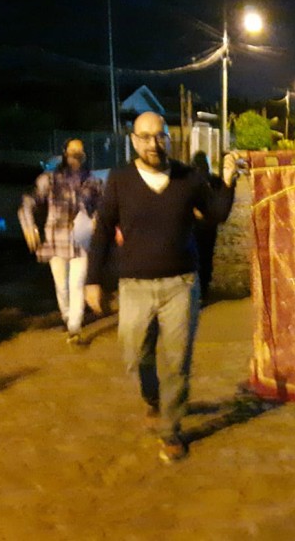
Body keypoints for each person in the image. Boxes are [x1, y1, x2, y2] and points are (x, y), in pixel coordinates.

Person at [84, 112, 236, 463]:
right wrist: (93, 280)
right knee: (136, 355)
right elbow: (104, 229)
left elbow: (215, 214)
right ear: (134, 141)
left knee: (177, 361)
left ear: (169, 139)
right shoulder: (120, 180)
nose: (154, 143)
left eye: (160, 136)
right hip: (134, 286)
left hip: (181, 284)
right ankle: (153, 397)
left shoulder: (189, 177)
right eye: (146, 137)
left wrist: (229, 181)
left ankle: (171, 429)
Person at [19, 139, 103, 344]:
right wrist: (28, 224)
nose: (76, 156)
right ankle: (67, 316)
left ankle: (74, 327)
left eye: (80, 152)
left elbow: (103, 206)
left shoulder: (93, 182)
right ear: (65, 153)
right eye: (72, 151)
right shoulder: (49, 179)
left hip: (81, 241)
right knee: (62, 285)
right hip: (56, 240)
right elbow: (28, 202)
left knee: (77, 283)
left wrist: (96, 219)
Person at [191, 150, 223, 303]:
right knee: (206, 257)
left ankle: (199, 290)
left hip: (197, 226)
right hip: (209, 226)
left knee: (197, 257)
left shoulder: (191, 180)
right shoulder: (214, 180)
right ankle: (203, 290)